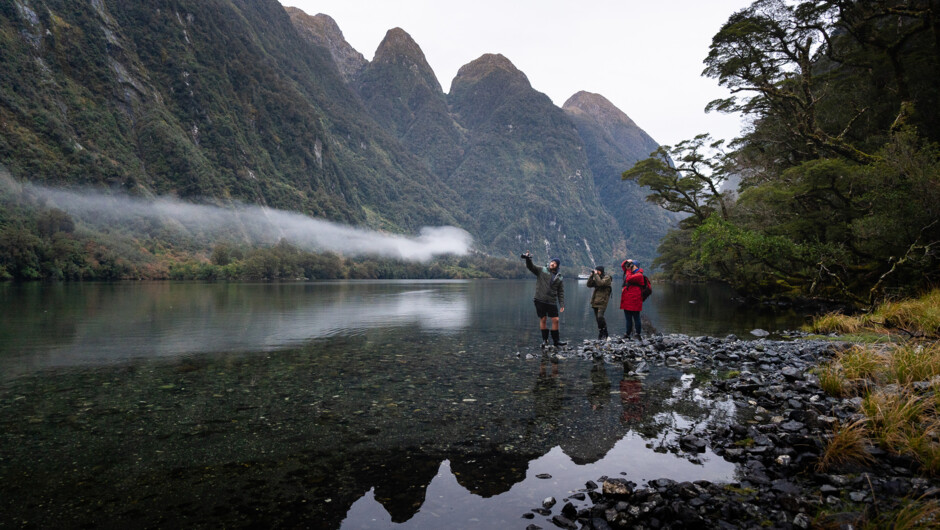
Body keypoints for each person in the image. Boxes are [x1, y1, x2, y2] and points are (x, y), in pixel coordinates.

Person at [521, 251, 566, 348]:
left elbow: (561, 292)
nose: (552, 263)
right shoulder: (542, 270)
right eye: (551, 262)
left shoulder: (560, 277)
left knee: (556, 319)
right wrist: (528, 259)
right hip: (539, 300)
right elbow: (531, 267)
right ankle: (545, 340)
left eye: (554, 263)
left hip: (552, 301)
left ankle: (556, 341)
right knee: (543, 319)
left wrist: (562, 304)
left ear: (557, 266)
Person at [620, 259, 645, 339]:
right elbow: (622, 265)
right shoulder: (631, 272)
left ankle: (638, 333)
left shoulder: (639, 275)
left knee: (636, 317)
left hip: (635, 299)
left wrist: (628, 270)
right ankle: (628, 333)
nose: (630, 267)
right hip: (627, 298)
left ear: (636, 266)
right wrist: (627, 261)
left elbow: (629, 278)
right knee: (628, 318)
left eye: (632, 265)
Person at [586, 266, 612, 340]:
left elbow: (601, 283)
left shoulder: (607, 278)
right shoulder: (597, 278)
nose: (596, 272)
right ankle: (601, 332)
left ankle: (606, 333)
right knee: (598, 319)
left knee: (600, 316)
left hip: (603, 301)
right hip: (595, 301)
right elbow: (589, 285)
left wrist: (596, 275)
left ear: (600, 271)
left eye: (597, 271)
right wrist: (591, 276)